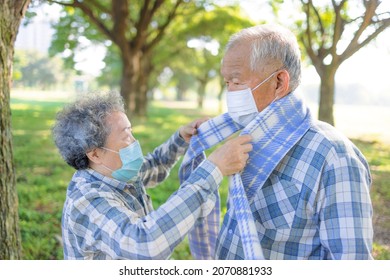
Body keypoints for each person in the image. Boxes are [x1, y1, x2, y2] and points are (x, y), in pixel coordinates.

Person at [184, 24, 373, 260]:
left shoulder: (335, 158)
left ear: (279, 82)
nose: (230, 92)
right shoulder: (251, 138)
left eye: (237, 82)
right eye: (226, 83)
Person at [52, 91, 253, 260]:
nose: (134, 141)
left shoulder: (113, 172)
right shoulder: (87, 201)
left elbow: (155, 164)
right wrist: (214, 169)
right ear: (95, 153)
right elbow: (145, 244)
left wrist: (181, 138)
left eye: (131, 131)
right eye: (125, 135)